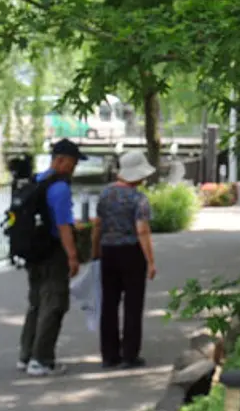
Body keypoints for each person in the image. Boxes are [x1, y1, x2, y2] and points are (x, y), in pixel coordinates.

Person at [18, 139, 85, 377]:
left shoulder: (36, 181)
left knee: (36, 303)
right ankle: (42, 360)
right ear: (60, 160)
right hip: (52, 253)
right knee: (54, 304)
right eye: (72, 163)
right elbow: (64, 226)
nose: (73, 168)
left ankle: (26, 356)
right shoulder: (60, 188)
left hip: (32, 252)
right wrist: (73, 256)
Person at [92, 150, 157, 369]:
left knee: (109, 304)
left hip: (108, 251)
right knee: (133, 304)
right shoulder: (139, 199)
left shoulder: (104, 194)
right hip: (131, 252)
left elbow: (97, 225)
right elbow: (143, 231)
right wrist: (150, 261)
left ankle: (109, 355)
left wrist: (95, 252)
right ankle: (129, 354)